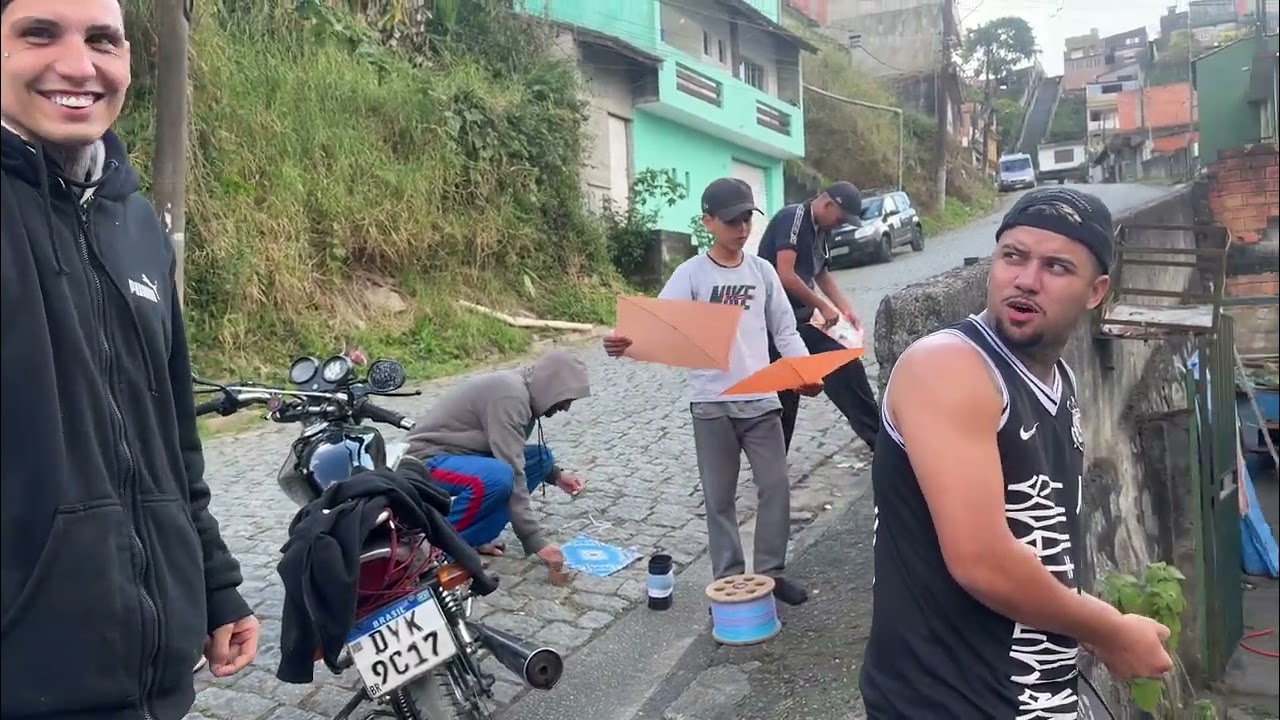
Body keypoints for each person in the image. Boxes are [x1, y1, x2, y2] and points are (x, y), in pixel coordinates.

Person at [0, 0, 259, 717]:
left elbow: (173, 435)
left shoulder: (136, 221)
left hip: (156, 686)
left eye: (103, 41)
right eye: (39, 33)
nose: (78, 65)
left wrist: (214, 584)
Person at [859, 188, 1173, 718]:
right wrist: (1111, 631)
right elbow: (983, 562)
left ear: (1096, 291)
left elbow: (1045, 549)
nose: (1026, 279)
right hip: (943, 702)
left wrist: (1093, 628)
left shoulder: (1060, 381)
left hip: (1035, 696)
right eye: (1013, 256)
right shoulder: (948, 367)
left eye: (1056, 266)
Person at [603, 178, 820, 606]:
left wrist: (804, 371)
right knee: (719, 499)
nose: (742, 228)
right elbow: (657, 325)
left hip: (761, 400)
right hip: (711, 404)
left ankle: (772, 572)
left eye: (747, 219)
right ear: (708, 222)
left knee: (775, 486)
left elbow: (785, 330)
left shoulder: (762, 272)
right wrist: (619, 341)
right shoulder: (691, 274)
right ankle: (729, 580)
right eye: (732, 221)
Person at [404, 349, 591, 578]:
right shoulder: (510, 396)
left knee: (541, 459)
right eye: (566, 399)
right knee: (499, 477)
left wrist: (556, 475)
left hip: (463, 456)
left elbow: (513, 454)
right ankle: (435, 550)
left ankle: (475, 537)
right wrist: (536, 541)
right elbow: (512, 468)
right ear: (552, 387)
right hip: (427, 461)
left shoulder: (525, 392)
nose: (566, 408)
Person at [756, 181, 881, 453]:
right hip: (774, 322)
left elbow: (821, 273)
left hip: (801, 320)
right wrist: (822, 306)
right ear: (827, 204)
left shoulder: (821, 230)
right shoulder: (793, 218)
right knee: (785, 394)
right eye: (840, 218)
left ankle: (882, 442)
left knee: (843, 366)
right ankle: (771, 462)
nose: (839, 225)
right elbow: (785, 275)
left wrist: (845, 309)